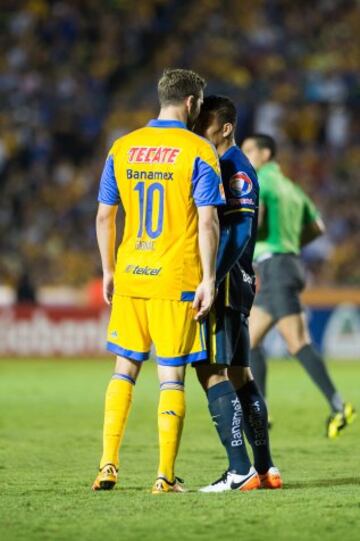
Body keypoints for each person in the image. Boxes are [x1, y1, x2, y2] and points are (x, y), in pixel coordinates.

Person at [92, 69, 225, 493]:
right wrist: (208, 278)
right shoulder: (200, 151)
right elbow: (208, 221)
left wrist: (109, 270)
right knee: (171, 378)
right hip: (175, 277)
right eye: (200, 103)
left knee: (124, 369)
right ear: (190, 103)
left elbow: (103, 216)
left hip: (132, 273)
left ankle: (107, 465)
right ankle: (164, 477)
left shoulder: (123, 146)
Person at [193, 96, 282, 492]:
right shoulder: (228, 165)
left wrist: (211, 277)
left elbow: (241, 229)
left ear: (225, 127)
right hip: (240, 282)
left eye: (204, 124)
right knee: (241, 374)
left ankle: (238, 469)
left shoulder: (232, 168)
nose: (198, 131)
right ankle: (265, 469)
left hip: (227, 283)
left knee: (211, 370)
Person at [241, 134, 356, 439]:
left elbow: (259, 218)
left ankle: (339, 405)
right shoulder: (291, 188)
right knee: (250, 341)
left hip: (276, 267)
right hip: (288, 264)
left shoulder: (260, 180)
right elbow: (317, 227)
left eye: (249, 149)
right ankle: (260, 413)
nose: (245, 154)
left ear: (265, 153)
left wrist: (247, 244)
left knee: (296, 342)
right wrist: (290, 244)